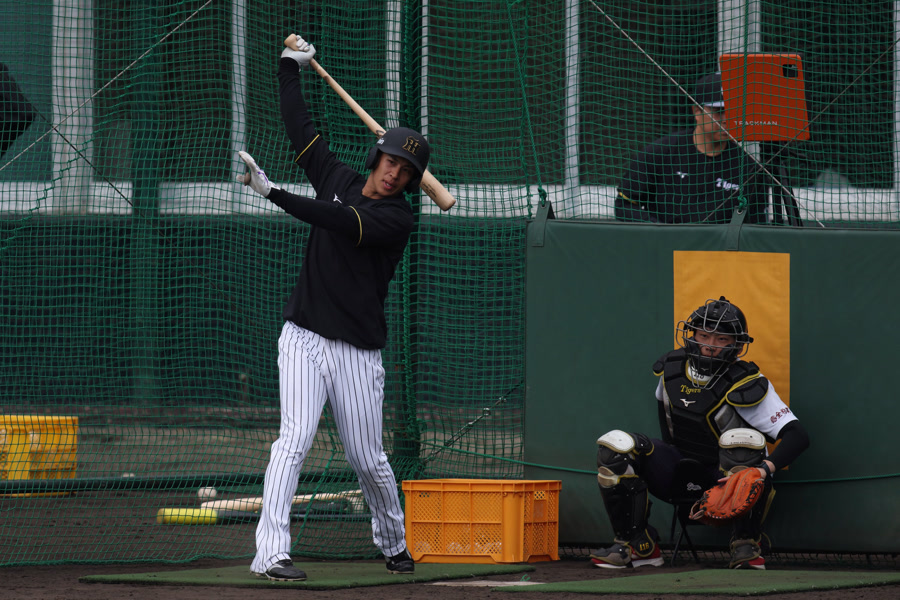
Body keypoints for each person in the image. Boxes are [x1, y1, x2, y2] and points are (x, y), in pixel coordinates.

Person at [237, 34, 429, 582]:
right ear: (377, 156)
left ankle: (393, 541)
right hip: (303, 336)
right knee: (294, 440)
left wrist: (273, 194)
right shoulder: (337, 178)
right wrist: (288, 67)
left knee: (368, 458)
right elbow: (301, 130)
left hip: (358, 352)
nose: (394, 174)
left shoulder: (397, 219)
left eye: (405, 171)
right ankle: (271, 554)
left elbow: (340, 220)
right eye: (390, 161)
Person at [590, 296, 810, 570]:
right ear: (691, 335)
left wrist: (763, 470)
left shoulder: (747, 382)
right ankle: (637, 545)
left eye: (721, 339)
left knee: (741, 443)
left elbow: (798, 436)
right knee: (616, 447)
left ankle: (746, 544)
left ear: (736, 344)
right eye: (704, 335)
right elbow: (668, 434)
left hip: (726, 480)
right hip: (680, 469)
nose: (710, 345)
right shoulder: (671, 370)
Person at [615, 72, 767, 224]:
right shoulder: (660, 153)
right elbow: (625, 205)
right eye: (719, 111)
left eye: (732, 111)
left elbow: (756, 224)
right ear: (696, 111)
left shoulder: (748, 169)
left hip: (718, 240)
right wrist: (659, 231)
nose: (726, 120)